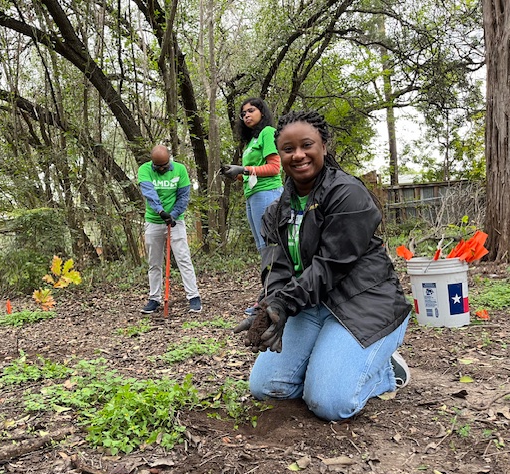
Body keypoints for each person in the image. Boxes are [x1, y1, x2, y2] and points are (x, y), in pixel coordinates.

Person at [234, 110, 412, 422]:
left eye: (307, 145)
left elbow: (332, 264)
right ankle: (330, 361)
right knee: (265, 388)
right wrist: (272, 307)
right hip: (312, 305)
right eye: (288, 150)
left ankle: (382, 371)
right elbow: (275, 266)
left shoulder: (347, 194)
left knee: (328, 404)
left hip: (364, 305)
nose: (298, 155)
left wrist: (286, 302)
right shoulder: (277, 210)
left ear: (323, 146)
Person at [221, 98, 284, 315]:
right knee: (262, 247)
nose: (246, 115)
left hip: (268, 193)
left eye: (251, 110)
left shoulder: (268, 132)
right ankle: (268, 294)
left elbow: (275, 168)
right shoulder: (250, 142)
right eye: (243, 113)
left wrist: (243, 169)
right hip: (253, 195)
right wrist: (236, 174)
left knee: (271, 246)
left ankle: (271, 297)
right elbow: (250, 172)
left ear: (262, 112)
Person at [137, 145, 202, 314]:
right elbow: (150, 194)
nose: (161, 169)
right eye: (157, 166)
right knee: (154, 262)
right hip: (154, 221)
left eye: (164, 165)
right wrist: (161, 212)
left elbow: (183, 196)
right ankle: (154, 298)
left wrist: (172, 215)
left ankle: (193, 297)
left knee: (183, 258)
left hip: (175, 221)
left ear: (169, 160)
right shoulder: (144, 170)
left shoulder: (180, 170)